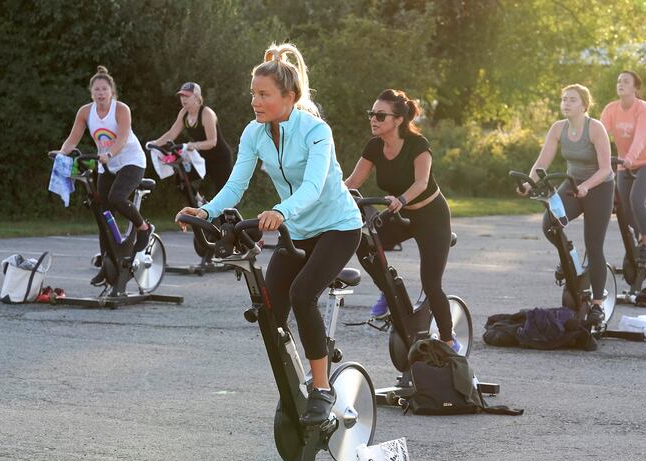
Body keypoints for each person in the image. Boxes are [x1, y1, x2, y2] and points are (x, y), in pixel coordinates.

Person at [175, 43, 362, 426]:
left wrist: (280, 211)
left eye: (264, 95)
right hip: (300, 229)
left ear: (289, 97)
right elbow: (235, 184)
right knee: (270, 308)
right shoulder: (254, 133)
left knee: (302, 294)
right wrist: (206, 209)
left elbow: (312, 187)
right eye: (253, 94)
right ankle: (305, 366)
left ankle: (323, 387)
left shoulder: (316, 131)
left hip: (338, 227)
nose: (255, 102)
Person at [344, 89, 460, 351]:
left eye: (380, 115)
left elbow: (422, 182)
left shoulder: (418, 145)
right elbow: (353, 183)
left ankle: (449, 340)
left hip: (431, 215)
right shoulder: (374, 146)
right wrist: (328, 194)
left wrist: (403, 199)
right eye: (371, 114)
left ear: (397, 120)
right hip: (399, 212)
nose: (373, 119)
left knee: (431, 283)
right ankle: (388, 288)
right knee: (365, 243)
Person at [515, 84, 614, 324]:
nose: (566, 104)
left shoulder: (595, 128)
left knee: (594, 245)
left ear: (584, 105)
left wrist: (587, 187)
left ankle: (598, 304)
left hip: (598, 186)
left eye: (571, 100)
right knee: (550, 223)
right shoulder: (558, 128)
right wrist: (529, 183)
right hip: (572, 183)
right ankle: (568, 258)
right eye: (563, 99)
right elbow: (543, 161)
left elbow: (606, 169)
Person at [57, 66, 152, 285]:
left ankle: (143, 227)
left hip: (130, 161)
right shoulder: (85, 112)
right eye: (97, 90)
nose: (100, 93)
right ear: (92, 93)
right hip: (106, 164)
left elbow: (122, 137)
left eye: (104, 89)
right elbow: (73, 139)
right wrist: (61, 153)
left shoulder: (121, 109)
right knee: (102, 212)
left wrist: (109, 153)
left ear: (112, 92)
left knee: (116, 198)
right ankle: (107, 265)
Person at [600, 71, 646, 265]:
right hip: (624, 163)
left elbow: (642, 136)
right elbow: (599, 135)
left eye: (626, 81)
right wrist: (594, 157)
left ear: (635, 88)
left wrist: (630, 157)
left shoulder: (643, 108)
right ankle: (637, 242)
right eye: (619, 81)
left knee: (636, 199)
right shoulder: (611, 109)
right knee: (625, 209)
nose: (621, 84)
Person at [148, 82, 234, 199]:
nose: (183, 99)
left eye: (187, 96)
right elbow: (172, 133)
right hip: (203, 157)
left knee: (224, 194)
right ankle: (200, 204)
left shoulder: (206, 113)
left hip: (220, 158)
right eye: (182, 96)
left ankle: (227, 216)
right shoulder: (184, 113)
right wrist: (154, 144)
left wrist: (192, 145)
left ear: (197, 97)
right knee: (182, 181)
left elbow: (212, 142)